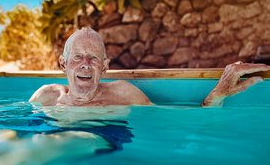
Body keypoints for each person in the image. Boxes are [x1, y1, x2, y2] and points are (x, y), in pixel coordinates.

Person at [29, 28, 269, 107]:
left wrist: (218, 94)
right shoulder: (46, 96)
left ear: (104, 68)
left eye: (93, 58)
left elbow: (171, 121)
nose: (85, 64)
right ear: (63, 64)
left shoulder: (123, 94)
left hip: (107, 148)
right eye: (77, 57)